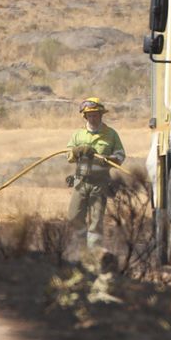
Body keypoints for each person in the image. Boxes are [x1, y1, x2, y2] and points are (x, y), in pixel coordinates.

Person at [66, 97, 126, 252]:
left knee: (96, 219)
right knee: (74, 216)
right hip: (80, 182)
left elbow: (120, 155)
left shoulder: (111, 135)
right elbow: (69, 156)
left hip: (100, 183)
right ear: (85, 116)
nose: (93, 118)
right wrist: (75, 152)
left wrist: (110, 159)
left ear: (101, 115)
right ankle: (80, 247)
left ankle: (93, 252)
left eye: (96, 115)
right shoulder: (78, 135)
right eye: (90, 115)